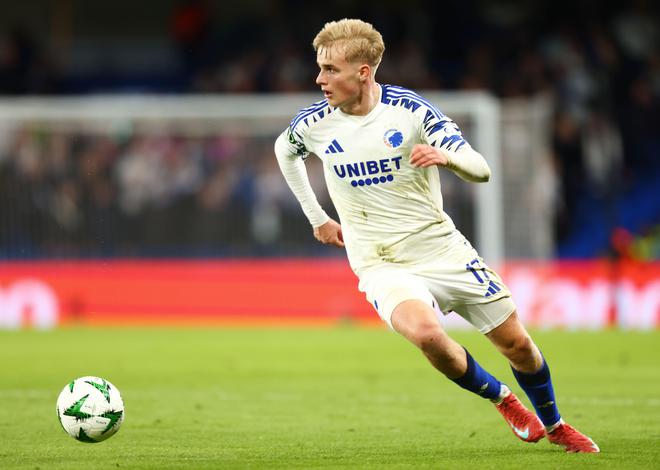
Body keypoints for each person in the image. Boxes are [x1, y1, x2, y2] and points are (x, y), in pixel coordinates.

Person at [274, 18, 599, 453]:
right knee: (427, 334)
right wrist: (317, 217)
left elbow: (481, 169)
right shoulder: (314, 123)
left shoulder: (410, 111)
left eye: (330, 69)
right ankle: (503, 399)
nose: (320, 79)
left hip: (441, 249)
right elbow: (284, 151)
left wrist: (448, 158)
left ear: (363, 72)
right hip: (380, 261)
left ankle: (555, 424)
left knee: (518, 346)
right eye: (320, 68)